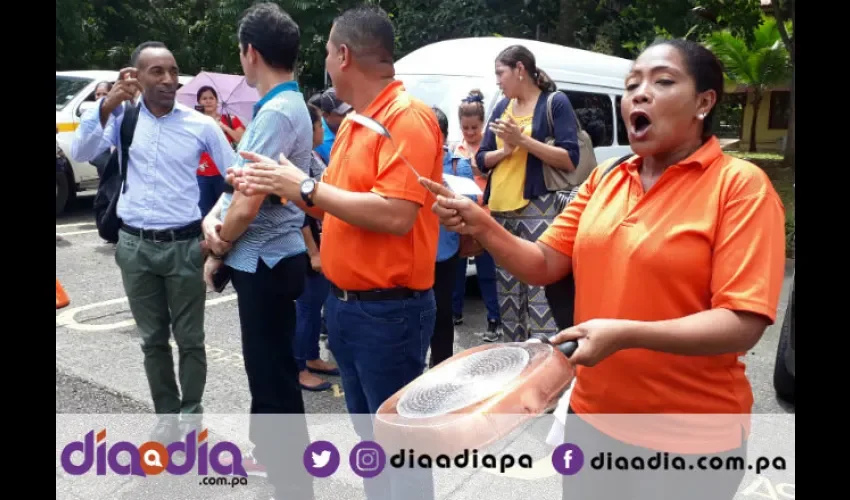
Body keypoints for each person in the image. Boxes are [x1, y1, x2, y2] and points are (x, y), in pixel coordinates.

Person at [422, 38, 786, 500]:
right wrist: (484, 225)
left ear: (704, 102)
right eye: (632, 84)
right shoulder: (606, 179)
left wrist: (626, 334)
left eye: (663, 81)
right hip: (592, 420)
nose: (639, 93)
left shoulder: (740, 187)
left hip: (691, 439)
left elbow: (742, 321)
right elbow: (544, 262)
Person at [229, 6, 442, 499]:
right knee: (373, 449)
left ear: (343, 55)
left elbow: (395, 215)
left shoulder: (406, 119)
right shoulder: (355, 123)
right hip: (347, 308)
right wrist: (279, 184)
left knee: (399, 455)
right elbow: (334, 207)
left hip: (389, 313)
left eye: (326, 50)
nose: (323, 60)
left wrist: (301, 184)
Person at [69, 41, 237, 442]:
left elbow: (235, 178)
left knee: (191, 340)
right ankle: (166, 417)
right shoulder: (122, 118)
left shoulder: (200, 124)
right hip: (134, 246)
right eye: (156, 71)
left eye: (173, 71)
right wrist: (106, 105)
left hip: (184, 247)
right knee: (153, 341)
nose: (168, 80)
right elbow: (79, 148)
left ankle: (191, 416)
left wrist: (216, 229)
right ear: (136, 77)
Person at [200, 4, 314, 499]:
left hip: (265, 260)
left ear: (250, 53)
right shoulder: (290, 106)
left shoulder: (275, 111)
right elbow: (246, 185)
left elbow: (245, 204)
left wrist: (218, 244)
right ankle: (279, 467)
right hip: (275, 258)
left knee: (273, 380)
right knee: (273, 372)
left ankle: (293, 484)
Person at [474, 44, 581, 343]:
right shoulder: (501, 107)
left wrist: (523, 140)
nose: (497, 80)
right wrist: (505, 151)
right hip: (500, 208)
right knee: (507, 293)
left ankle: (548, 362)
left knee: (540, 291)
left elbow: (569, 158)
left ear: (520, 69)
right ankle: (515, 360)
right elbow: (481, 159)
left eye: (500, 73)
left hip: (538, 206)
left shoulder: (554, 103)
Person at [450, 90, 502, 341]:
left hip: (485, 213)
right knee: (457, 266)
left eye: (474, 127)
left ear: (482, 125)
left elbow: (499, 176)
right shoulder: (456, 148)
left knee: (487, 270)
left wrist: (478, 168)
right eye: (465, 127)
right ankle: (455, 311)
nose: (469, 132)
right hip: (461, 214)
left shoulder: (489, 148)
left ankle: (494, 319)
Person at [294, 103, 339, 391]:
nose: (323, 129)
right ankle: (298, 367)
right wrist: (313, 251)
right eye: (319, 124)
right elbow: (298, 213)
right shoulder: (298, 162)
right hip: (306, 246)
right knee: (306, 307)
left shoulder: (310, 156)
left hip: (321, 240)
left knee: (316, 301)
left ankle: (311, 357)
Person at [429, 106, 473, 367]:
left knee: (442, 312)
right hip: (412, 251)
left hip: (446, 251)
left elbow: (468, 209)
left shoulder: (459, 165)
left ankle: (440, 367)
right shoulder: (405, 162)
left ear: (443, 137)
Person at [195, 85, 246, 216]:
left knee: (227, 211)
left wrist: (223, 127)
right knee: (204, 212)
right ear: (199, 102)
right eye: (204, 98)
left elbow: (242, 139)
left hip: (226, 172)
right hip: (202, 173)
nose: (208, 101)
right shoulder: (195, 122)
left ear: (217, 101)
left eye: (211, 98)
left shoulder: (230, 119)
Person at [314, 87, 352, 164]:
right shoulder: (318, 140)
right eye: (343, 114)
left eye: (351, 111)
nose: (350, 117)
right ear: (326, 115)